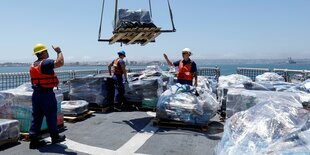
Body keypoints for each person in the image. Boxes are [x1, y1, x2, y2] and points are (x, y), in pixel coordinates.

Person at [29, 43, 66, 149]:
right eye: (46, 51)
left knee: (36, 117)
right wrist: (59, 51)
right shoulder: (46, 62)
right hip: (47, 95)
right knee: (51, 116)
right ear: (43, 52)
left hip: (36, 95)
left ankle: (34, 140)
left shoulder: (33, 65)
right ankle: (55, 137)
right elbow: (60, 63)